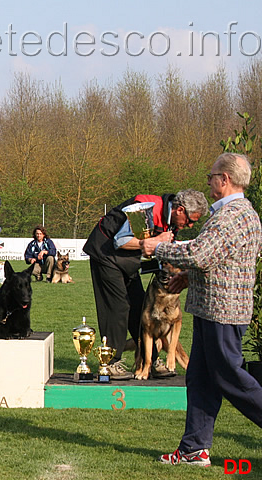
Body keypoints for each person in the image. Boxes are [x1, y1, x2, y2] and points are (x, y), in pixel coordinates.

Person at [141, 154, 262, 467]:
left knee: (231, 378)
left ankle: (194, 447)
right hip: (215, 310)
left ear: (224, 179)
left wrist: (158, 247)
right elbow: (219, 259)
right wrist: (187, 278)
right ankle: (194, 449)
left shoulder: (230, 215)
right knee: (200, 380)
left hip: (223, 313)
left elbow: (200, 253)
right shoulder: (240, 213)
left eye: (211, 176)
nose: (208, 182)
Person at [82, 189, 208, 380]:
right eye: (190, 220)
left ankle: (150, 361)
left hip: (126, 259)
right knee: (118, 307)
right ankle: (112, 362)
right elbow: (121, 240)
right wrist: (155, 241)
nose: (189, 225)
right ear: (180, 210)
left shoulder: (171, 222)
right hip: (105, 253)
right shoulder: (145, 208)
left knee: (141, 305)